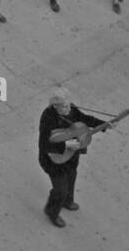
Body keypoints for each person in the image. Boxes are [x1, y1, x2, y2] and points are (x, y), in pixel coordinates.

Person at [37, 88, 110, 227]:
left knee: (71, 177)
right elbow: (44, 144)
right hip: (53, 159)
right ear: (55, 106)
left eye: (69, 104)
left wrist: (105, 124)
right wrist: (65, 145)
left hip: (71, 155)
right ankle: (51, 211)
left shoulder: (71, 109)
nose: (69, 108)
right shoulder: (48, 117)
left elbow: (86, 119)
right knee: (60, 189)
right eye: (65, 106)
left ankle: (67, 201)